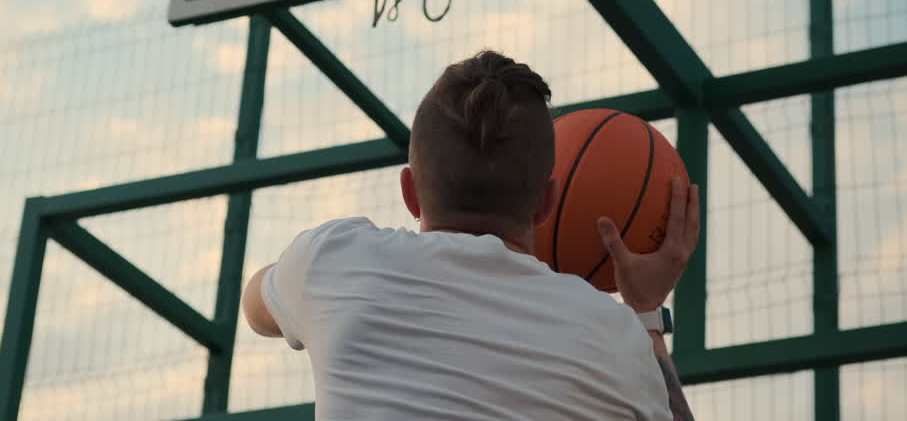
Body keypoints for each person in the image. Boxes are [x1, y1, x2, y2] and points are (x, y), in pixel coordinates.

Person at [242, 50, 699, 420]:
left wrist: (297, 278)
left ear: (410, 191)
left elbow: (254, 305)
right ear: (546, 201)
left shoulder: (334, 261)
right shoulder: (616, 336)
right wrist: (645, 313)